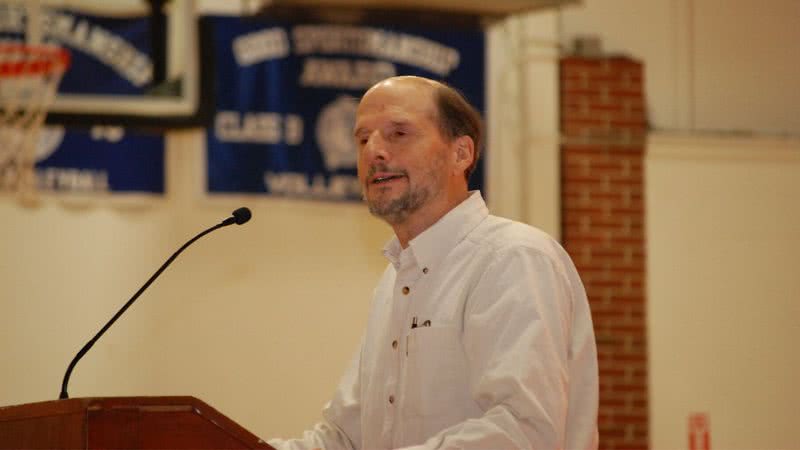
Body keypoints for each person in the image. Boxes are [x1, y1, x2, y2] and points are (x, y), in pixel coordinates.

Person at [269, 76, 598, 450]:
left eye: (398, 134)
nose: (373, 151)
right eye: (362, 138)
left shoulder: (513, 259)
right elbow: (345, 438)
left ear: (461, 154)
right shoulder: (394, 282)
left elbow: (524, 431)